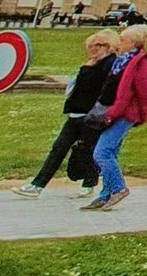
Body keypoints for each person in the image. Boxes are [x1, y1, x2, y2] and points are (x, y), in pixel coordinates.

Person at [13, 29, 118, 197]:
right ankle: (37, 185)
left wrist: (85, 69)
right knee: (59, 148)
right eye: (90, 46)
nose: (91, 49)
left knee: (86, 150)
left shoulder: (109, 64)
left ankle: (89, 183)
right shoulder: (94, 63)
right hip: (76, 114)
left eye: (96, 46)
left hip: (91, 115)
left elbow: (95, 87)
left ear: (107, 46)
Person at [86, 24, 147, 211]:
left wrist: (143, 114)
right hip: (114, 110)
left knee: (101, 152)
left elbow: (145, 93)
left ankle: (118, 188)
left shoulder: (140, 64)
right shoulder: (123, 61)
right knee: (110, 153)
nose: (119, 43)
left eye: (123, 40)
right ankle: (106, 194)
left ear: (133, 43)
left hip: (127, 113)